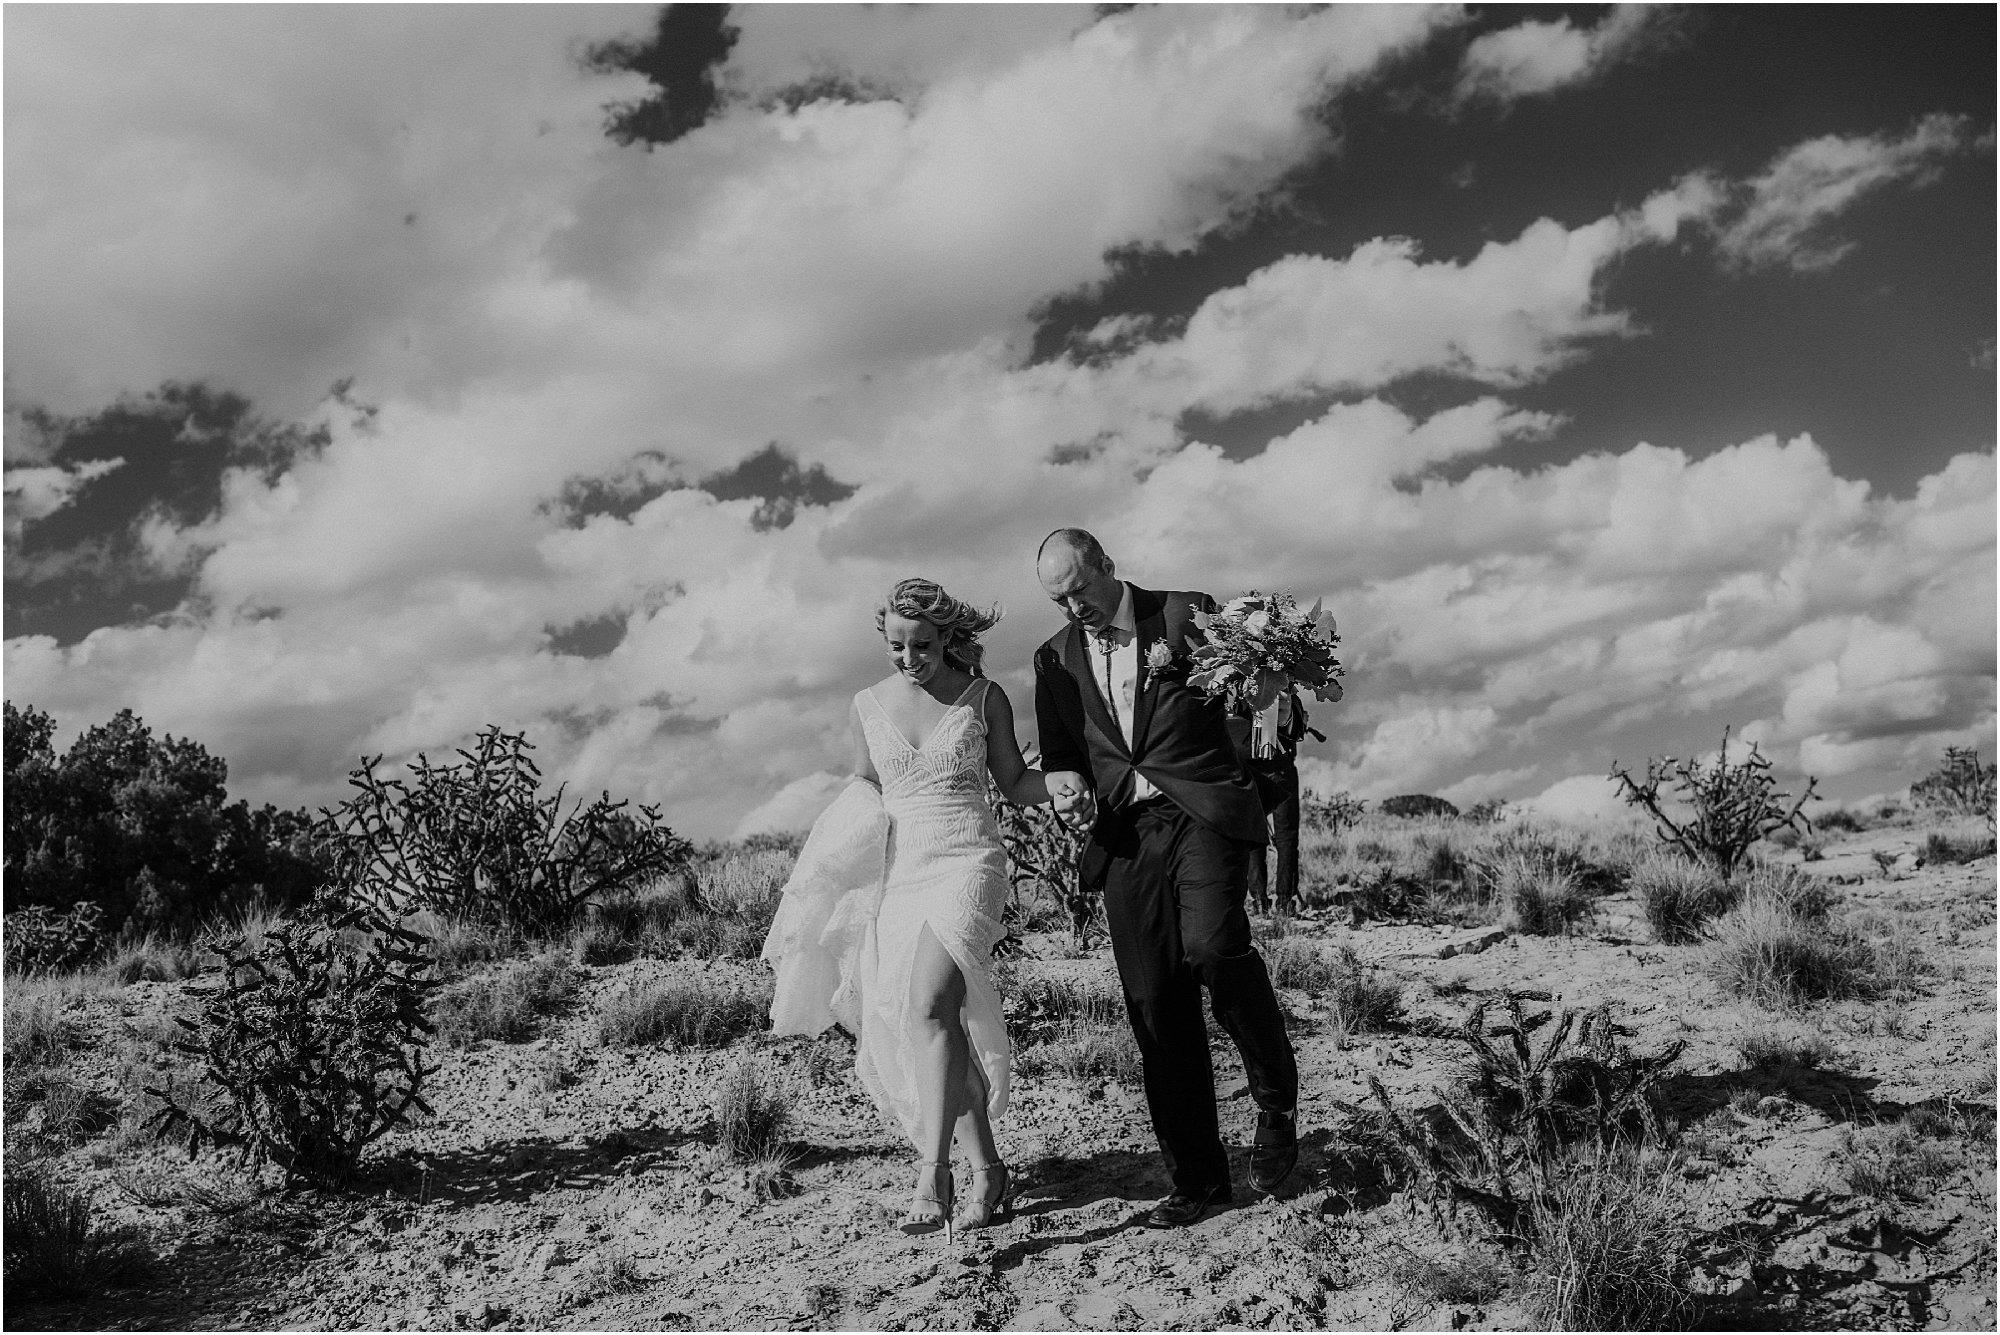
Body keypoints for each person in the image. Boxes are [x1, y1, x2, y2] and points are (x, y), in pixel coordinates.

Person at [763, 578, 1058, 1239]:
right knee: (929, 1021)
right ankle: (988, 1168)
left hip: (968, 861)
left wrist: (1067, 784)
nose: (907, 659)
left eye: (921, 646)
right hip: (902, 872)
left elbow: (1015, 783)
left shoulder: (985, 697)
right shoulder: (867, 703)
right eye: (895, 645)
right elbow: (867, 785)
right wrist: (837, 857)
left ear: (950, 637)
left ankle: (933, 1173)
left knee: (928, 1003)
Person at [1031, 529, 1301, 1228]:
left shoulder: (1185, 615)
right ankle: (1200, 1181)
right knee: (1155, 1002)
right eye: (1058, 599)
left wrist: (1269, 718)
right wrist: (1067, 788)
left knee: (1212, 946)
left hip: (1201, 811)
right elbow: (1063, 753)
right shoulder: (1054, 659)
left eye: (1080, 589)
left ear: (1108, 568)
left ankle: (1275, 1094)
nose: (1073, 607)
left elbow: (1254, 691)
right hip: (1127, 833)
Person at [1226, 691, 1312, 916]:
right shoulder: (1281, 685)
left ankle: (1258, 901)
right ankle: (1285, 902)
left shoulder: (1229, 690)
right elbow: (1296, 728)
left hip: (1246, 768)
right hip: (1280, 766)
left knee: (1254, 837)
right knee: (1286, 837)